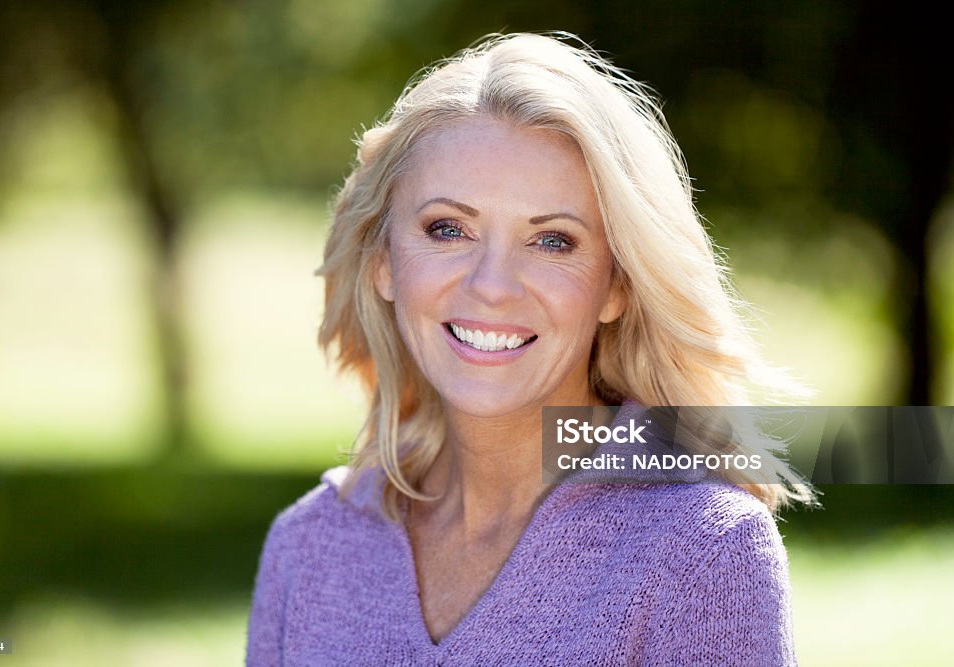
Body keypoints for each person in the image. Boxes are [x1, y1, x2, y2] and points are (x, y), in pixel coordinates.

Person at [246, 31, 814, 666]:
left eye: (552, 241)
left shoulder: (702, 552)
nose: (491, 286)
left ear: (616, 287)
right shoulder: (311, 546)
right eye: (448, 229)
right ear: (384, 263)